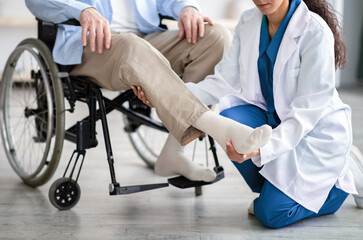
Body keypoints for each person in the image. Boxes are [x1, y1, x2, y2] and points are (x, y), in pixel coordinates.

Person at [134, 0, 363, 228]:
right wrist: (164, 95)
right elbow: (222, 83)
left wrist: (262, 149)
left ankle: (343, 178)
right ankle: (277, 191)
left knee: (271, 214)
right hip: (271, 123)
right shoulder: (249, 21)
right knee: (231, 117)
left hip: (312, 135)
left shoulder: (315, 32)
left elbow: (306, 113)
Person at [24, 0, 273, 182]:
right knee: (133, 45)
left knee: (216, 36)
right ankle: (218, 127)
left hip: (147, 40)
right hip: (91, 45)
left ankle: (173, 153)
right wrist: (81, 10)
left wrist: (187, 9)